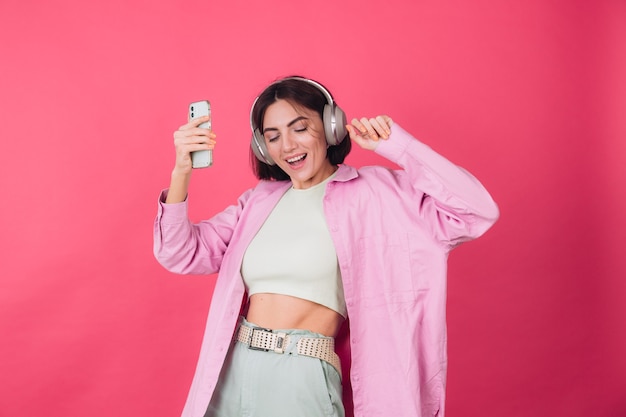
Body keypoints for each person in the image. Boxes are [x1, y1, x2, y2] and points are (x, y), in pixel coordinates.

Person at [153, 76, 499, 417]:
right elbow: (180, 252)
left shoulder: (380, 194)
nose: (287, 145)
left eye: (299, 128)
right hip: (232, 367)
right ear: (263, 148)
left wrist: (398, 146)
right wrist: (182, 171)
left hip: (302, 375)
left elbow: (476, 211)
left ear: (332, 126)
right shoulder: (258, 201)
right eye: (273, 137)